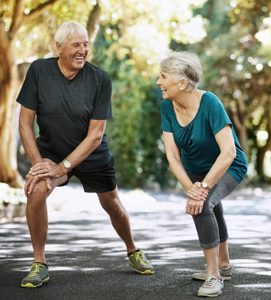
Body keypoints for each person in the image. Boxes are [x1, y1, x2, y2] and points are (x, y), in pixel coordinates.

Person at [17, 21, 154, 288]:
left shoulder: (99, 79)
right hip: (51, 150)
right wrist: (38, 166)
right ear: (58, 48)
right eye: (76, 45)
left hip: (91, 153)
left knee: (112, 204)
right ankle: (39, 263)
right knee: (36, 190)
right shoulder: (39, 71)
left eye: (86, 44)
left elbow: (96, 135)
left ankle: (132, 249)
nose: (83, 50)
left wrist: (64, 167)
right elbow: (24, 124)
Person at [157, 51, 247, 298]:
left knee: (203, 204)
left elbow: (228, 153)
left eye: (163, 77)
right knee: (208, 204)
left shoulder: (210, 103)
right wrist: (190, 188)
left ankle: (214, 275)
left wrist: (201, 190)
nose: (158, 82)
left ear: (182, 83)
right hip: (196, 171)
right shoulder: (167, 107)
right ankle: (224, 265)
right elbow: (172, 157)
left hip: (229, 166)